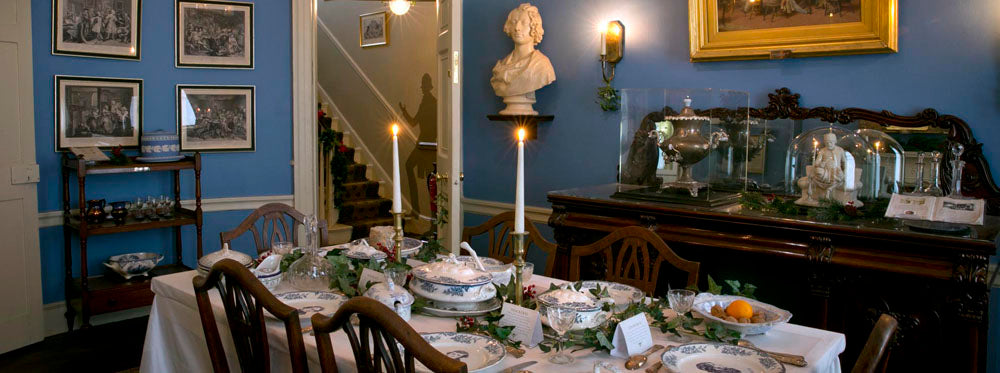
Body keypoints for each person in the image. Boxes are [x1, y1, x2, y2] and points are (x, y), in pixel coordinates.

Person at [490, 3, 555, 115]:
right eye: (514, 22)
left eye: (524, 23)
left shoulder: (542, 66)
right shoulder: (501, 66)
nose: (517, 28)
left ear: (534, 27)